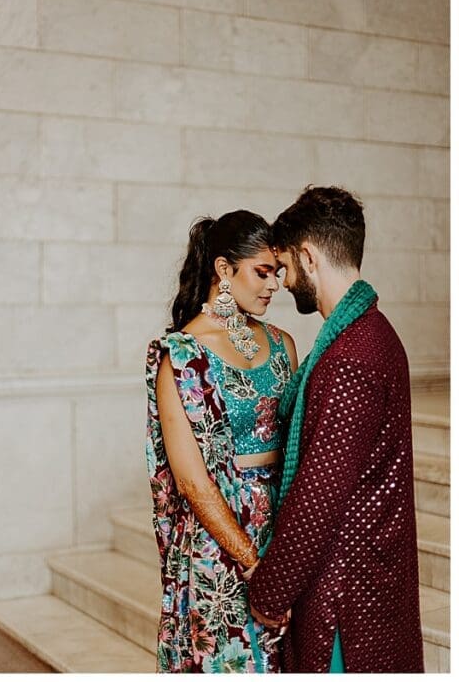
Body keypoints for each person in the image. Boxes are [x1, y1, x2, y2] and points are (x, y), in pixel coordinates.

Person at [247, 187, 423, 672]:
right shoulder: (373, 333)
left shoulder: (350, 357)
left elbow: (319, 492)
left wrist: (269, 592)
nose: (282, 283)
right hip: (365, 581)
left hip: (348, 597)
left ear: (308, 255)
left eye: (284, 267)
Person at [146, 210, 298, 672]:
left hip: (282, 529)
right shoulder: (181, 357)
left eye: (278, 273)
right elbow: (191, 481)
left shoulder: (283, 343)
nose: (273, 285)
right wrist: (252, 566)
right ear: (224, 270)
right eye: (262, 272)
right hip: (220, 543)